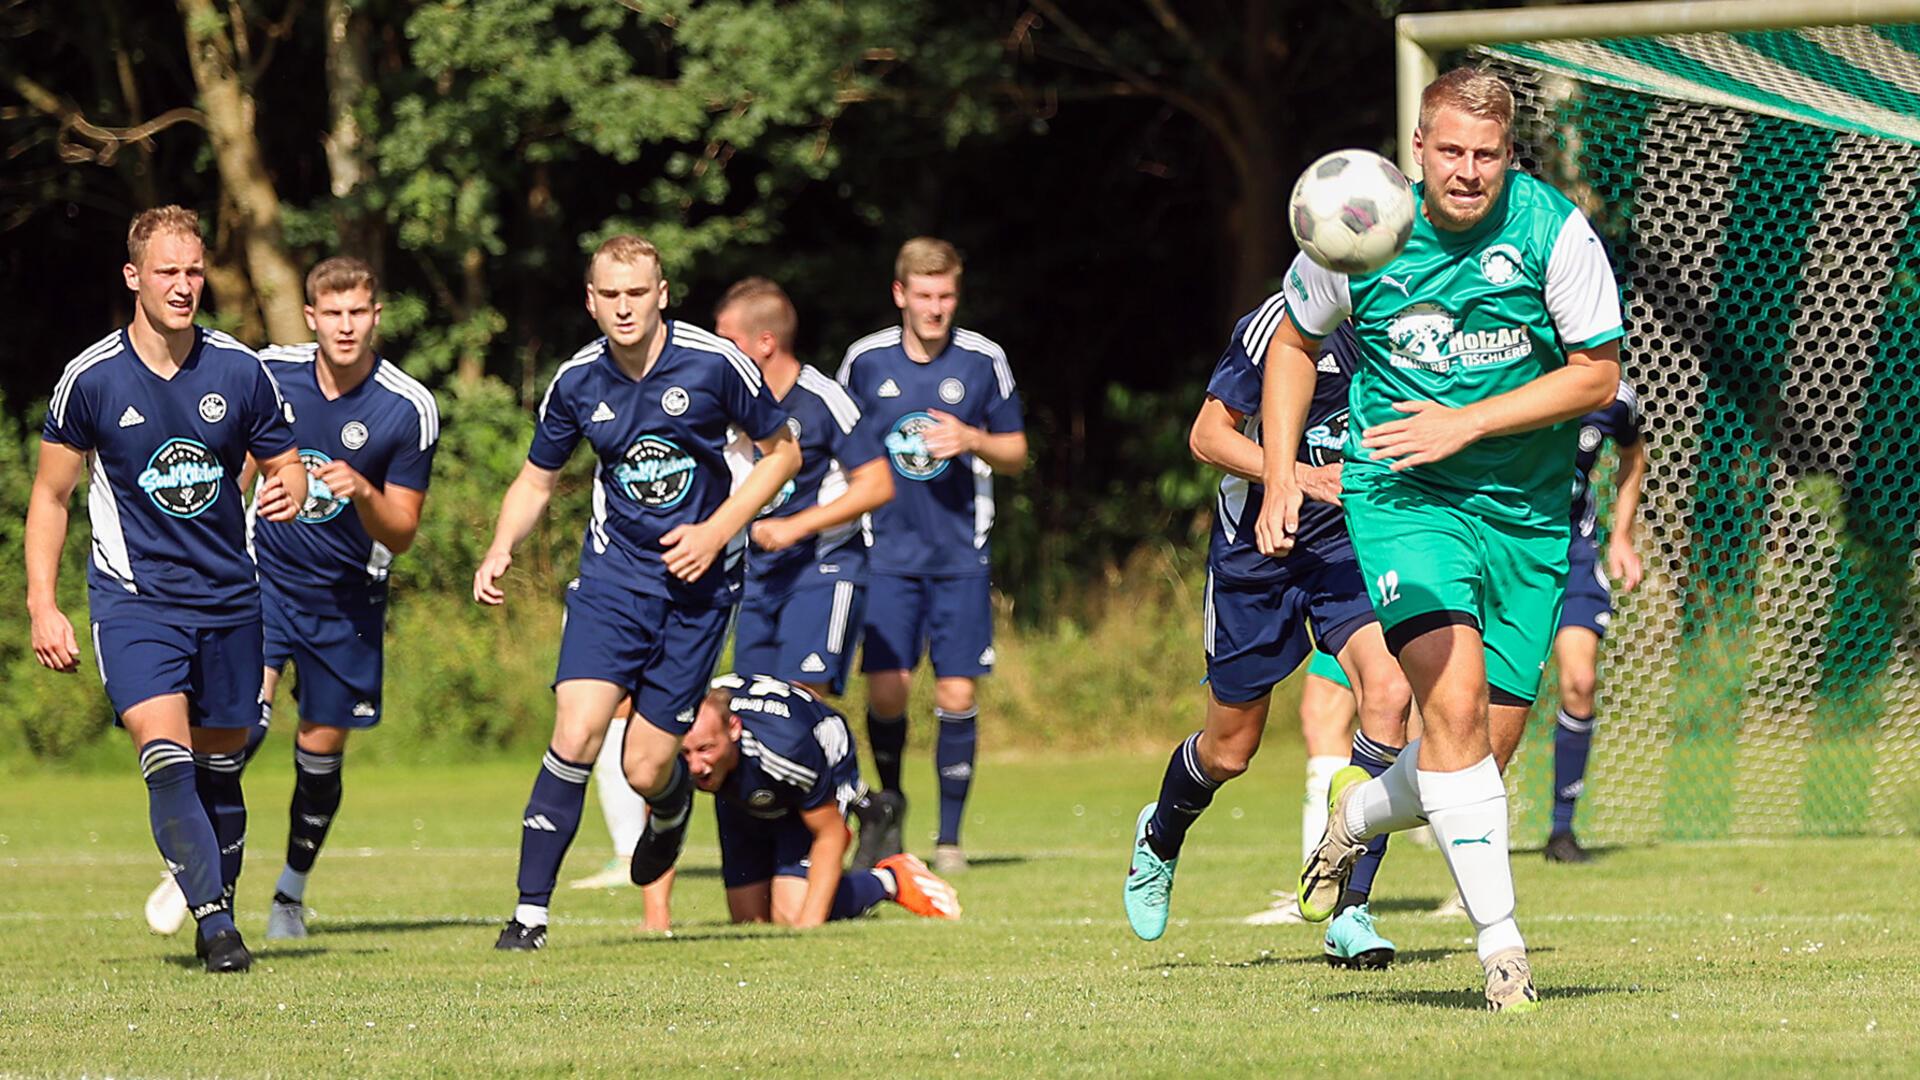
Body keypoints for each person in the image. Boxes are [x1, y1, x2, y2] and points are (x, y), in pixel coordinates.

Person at [1259, 67, 1625, 1012]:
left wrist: (1469, 421)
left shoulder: (1553, 231)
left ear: (1511, 156)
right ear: (1417, 148)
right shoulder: (1363, 224)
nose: (1467, 172)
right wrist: (1276, 473)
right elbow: (1291, 346)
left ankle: (1360, 809)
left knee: (1478, 758)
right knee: (1450, 703)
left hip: (1528, 521)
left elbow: (1595, 379)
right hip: (1404, 500)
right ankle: (1503, 952)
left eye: (1486, 155)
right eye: (1450, 151)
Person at [473, 234, 800, 950]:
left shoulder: (715, 366)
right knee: (576, 728)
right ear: (591, 301)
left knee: (646, 764)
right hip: (613, 580)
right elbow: (536, 480)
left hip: (701, 590)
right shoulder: (577, 381)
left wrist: (715, 532)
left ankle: (672, 809)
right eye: (610, 295)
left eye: (636, 293)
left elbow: (783, 456)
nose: (624, 308)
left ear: (662, 294)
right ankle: (530, 914)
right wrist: (501, 546)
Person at [27, 205, 307, 972]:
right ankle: (217, 924)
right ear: (134, 277)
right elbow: (50, 497)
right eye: (166, 272)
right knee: (164, 749)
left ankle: (214, 898)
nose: (183, 287)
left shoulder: (239, 370)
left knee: (222, 762)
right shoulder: (90, 379)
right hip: (134, 600)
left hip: (230, 600)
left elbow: (287, 464)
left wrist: (290, 488)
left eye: (193, 272)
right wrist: (43, 604)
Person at [1121, 306, 1412, 970]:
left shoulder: (1411, 318)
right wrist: (1299, 478)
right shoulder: (1282, 322)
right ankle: (1160, 835)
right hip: (1258, 555)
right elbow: (1207, 437)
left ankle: (1351, 909)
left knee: (1390, 694)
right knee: (1230, 752)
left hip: (1350, 549)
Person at [836, 238, 1026, 874]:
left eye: (946, 295)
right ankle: (889, 816)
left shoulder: (983, 360)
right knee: (887, 691)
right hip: (883, 550)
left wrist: (972, 438)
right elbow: (834, 440)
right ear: (901, 295)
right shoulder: (864, 361)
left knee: (954, 689)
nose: (936, 307)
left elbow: (1017, 451)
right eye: (924, 296)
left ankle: (949, 839)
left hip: (958, 554)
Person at [654, 673, 960, 927]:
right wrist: (657, 917)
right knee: (751, 920)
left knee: (792, 914)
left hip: (815, 774)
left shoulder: (787, 753)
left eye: (706, 749)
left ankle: (890, 879)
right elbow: (659, 825)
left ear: (733, 729)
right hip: (740, 786)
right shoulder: (670, 744)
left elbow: (830, 833)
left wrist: (809, 925)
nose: (696, 766)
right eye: (686, 753)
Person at [1544, 380, 1645, 863]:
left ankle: (1562, 830)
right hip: (1506, 547)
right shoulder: (1507, 374)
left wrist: (1621, 536)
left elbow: (1633, 454)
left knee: (1581, 681)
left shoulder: (1613, 397)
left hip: (1574, 554)